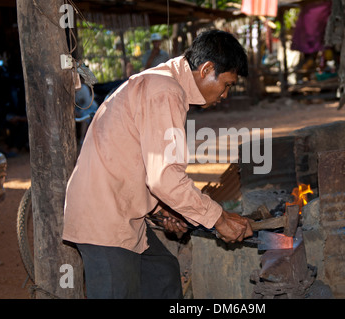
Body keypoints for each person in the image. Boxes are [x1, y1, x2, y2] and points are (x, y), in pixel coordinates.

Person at [62, 29, 253, 299]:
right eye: (227, 84)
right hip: (105, 217)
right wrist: (218, 219)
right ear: (207, 68)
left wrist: (166, 208)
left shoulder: (162, 83)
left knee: (162, 274)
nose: (225, 95)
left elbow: (144, 162)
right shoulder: (166, 91)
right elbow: (166, 179)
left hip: (121, 210)